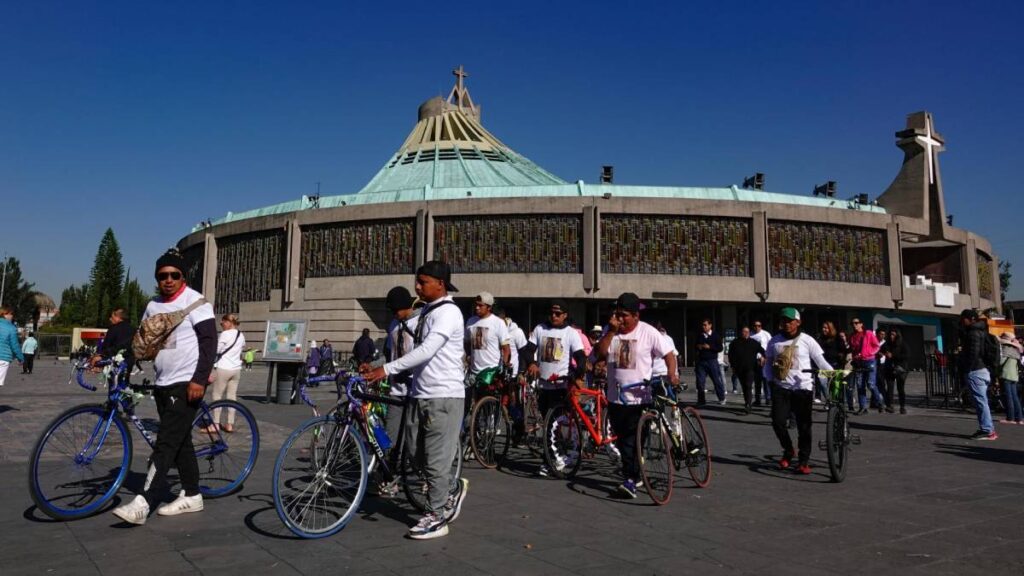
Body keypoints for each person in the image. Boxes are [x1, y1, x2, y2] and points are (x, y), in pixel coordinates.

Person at [362, 260, 468, 540]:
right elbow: (413, 351)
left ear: (440, 284)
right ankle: (450, 490)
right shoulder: (427, 312)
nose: (417, 287)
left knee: (434, 458)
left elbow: (428, 350)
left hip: (443, 395)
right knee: (414, 452)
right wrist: (382, 364)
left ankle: (436, 515)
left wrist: (387, 369)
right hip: (419, 393)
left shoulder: (449, 312)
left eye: (423, 282)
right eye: (417, 281)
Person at [112, 248, 217, 524]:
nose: (168, 280)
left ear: (183, 276)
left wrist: (199, 379)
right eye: (162, 275)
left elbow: (209, 344)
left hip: (186, 383)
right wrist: (123, 360)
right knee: (180, 441)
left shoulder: (197, 303)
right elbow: (143, 340)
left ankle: (143, 502)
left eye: (174, 275)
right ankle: (192, 495)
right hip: (162, 382)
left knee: (166, 443)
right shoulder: (153, 305)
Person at [594, 293, 677, 498]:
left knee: (633, 441)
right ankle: (634, 475)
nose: (619, 319)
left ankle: (630, 480)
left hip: (641, 397)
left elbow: (669, 354)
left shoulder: (648, 332)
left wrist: (671, 374)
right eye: (617, 314)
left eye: (623, 316)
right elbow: (601, 353)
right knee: (623, 441)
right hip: (616, 396)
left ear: (635, 316)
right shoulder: (610, 331)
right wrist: (612, 331)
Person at [763, 308, 832, 474]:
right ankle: (788, 450)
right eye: (783, 320)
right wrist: (769, 379)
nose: (786, 324)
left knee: (804, 426)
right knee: (777, 422)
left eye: (790, 320)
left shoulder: (807, 340)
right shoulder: (774, 341)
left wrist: (833, 374)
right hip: (781, 388)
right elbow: (768, 362)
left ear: (798, 322)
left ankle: (803, 460)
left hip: (803, 389)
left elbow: (820, 361)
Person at [526, 299, 587, 476]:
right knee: (547, 424)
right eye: (552, 313)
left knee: (554, 425)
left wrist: (576, 376)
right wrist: (531, 363)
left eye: (558, 314)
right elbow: (528, 350)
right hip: (544, 385)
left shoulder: (571, 333)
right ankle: (551, 459)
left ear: (565, 315)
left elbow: (581, 357)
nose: (554, 316)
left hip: (561, 386)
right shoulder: (540, 329)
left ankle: (555, 458)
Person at [382, 286, 418, 470]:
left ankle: (417, 471)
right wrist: (374, 367)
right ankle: (390, 472)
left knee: (413, 437)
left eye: (396, 310)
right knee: (391, 434)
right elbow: (389, 354)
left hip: (416, 389)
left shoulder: (420, 322)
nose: (394, 314)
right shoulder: (393, 325)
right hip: (396, 389)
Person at [464, 292, 510, 411]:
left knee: (487, 406)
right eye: (476, 305)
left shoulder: (498, 323)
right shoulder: (470, 322)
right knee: (467, 403)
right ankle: (473, 427)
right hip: (473, 371)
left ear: (489, 307)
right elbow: (467, 342)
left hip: (490, 371)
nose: (477, 307)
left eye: (480, 305)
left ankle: (490, 426)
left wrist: (502, 368)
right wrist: (468, 356)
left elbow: (506, 349)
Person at [958, 309, 997, 440]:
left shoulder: (973, 333)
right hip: (982, 369)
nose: (962, 321)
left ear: (971, 319)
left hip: (976, 370)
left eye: (964, 318)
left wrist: (967, 369)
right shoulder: (981, 331)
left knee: (981, 402)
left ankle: (987, 430)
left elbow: (973, 353)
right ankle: (987, 429)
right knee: (982, 401)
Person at [209, 313, 245, 433]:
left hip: (223, 368)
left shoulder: (225, 334)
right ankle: (230, 424)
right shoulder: (241, 335)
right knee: (231, 397)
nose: (221, 324)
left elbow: (216, 350)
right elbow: (241, 349)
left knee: (217, 396)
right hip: (236, 369)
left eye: (223, 321)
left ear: (229, 323)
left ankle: (215, 424)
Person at [849, 317, 885, 414]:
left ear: (861, 324)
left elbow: (877, 346)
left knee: (870, 384)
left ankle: (880, 401)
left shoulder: (868, 333)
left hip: (869, 361)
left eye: (856, 323)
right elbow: (853, 350)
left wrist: (868, 353)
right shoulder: (852, 336)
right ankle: (863, 407)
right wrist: (854, 357)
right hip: (858, 362)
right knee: (860, 385)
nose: (854, 325)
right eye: (852, 323)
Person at [91, 308, 137, 382]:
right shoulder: (133, 329)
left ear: (118, 317)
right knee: (124, 383)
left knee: (114, 385)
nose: (110, 319)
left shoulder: (113, 329)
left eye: (112, 317)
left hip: (114, 362)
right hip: (129, 362)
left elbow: (105, 347)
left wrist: (99, 359)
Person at [727, 326, 764, 414]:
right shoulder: (735, 343)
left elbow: (763, 351)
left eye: (747, 331)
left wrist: (763, 357)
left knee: (748, 385)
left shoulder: (754, 343)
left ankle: (748, 405)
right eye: (744, 331)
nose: (746, 333)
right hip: (739, 369)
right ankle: (747, 402)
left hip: (750, 368)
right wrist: (732, 366)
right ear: (741, 332)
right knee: (744, 386)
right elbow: (730, 355)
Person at [695, 318, 726, 406]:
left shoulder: (715, 335)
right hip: (701, 362)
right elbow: (695, 345)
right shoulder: (700, 335)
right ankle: (701, 400)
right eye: (703, 325)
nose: (703, 327)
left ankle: (722, 398)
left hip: (712, 361)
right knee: (700, 382)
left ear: (710, 325)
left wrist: (710, 347)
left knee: (716, 380)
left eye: (705, 325)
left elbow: (720, 348)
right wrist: (699, 346)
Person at [816, 321, 848, 405]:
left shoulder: (837, 338)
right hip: (823, 366)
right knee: (823, 384)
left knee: (835, 386)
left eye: (826, 328)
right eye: (823, 327)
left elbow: (843, 351)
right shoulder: (820, 338)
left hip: (835, 365)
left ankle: (835, 403)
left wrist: (841, 357)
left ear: (830, 328)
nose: (824, 330)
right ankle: (828, 400)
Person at [882, 328, 909, 414]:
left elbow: (907, 355)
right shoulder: (887, 344)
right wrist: (881, 353)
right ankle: (890, 406)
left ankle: (902, 406)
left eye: (893, 334)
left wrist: (893, 355)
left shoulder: (902, 344)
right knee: (890, 387)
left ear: (897, 335)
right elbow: (881, 350)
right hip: (889, 368)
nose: (891, 336)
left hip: (900, 368)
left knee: (900, 388)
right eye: (890, 334)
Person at [998, 332, 1023, 425]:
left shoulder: (1005, 349)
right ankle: (1020, 418)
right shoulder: (1016, 351)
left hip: (1006, 375)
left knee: (1008, 397)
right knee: (1015, 397)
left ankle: (1010, 418)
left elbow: (1000, 362)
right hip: (1014, 376)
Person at [0, 306, 24, 386]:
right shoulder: (11, 328)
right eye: (11, 314)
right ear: (5, 314)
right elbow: (15, 345)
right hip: (3, 358)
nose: (12, 316)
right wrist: (20, 358)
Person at [750, 320, 772, 406]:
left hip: (764, 360)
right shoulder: (751, 335)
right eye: (755, 325)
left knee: (765, 379)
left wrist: (766, 357)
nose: (757, 327)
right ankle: (758, 399)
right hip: (754, 361)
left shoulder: (766, 334)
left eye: (758, 325)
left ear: (761, 326)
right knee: (757, 381)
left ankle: (768, 398)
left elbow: (770, 346)